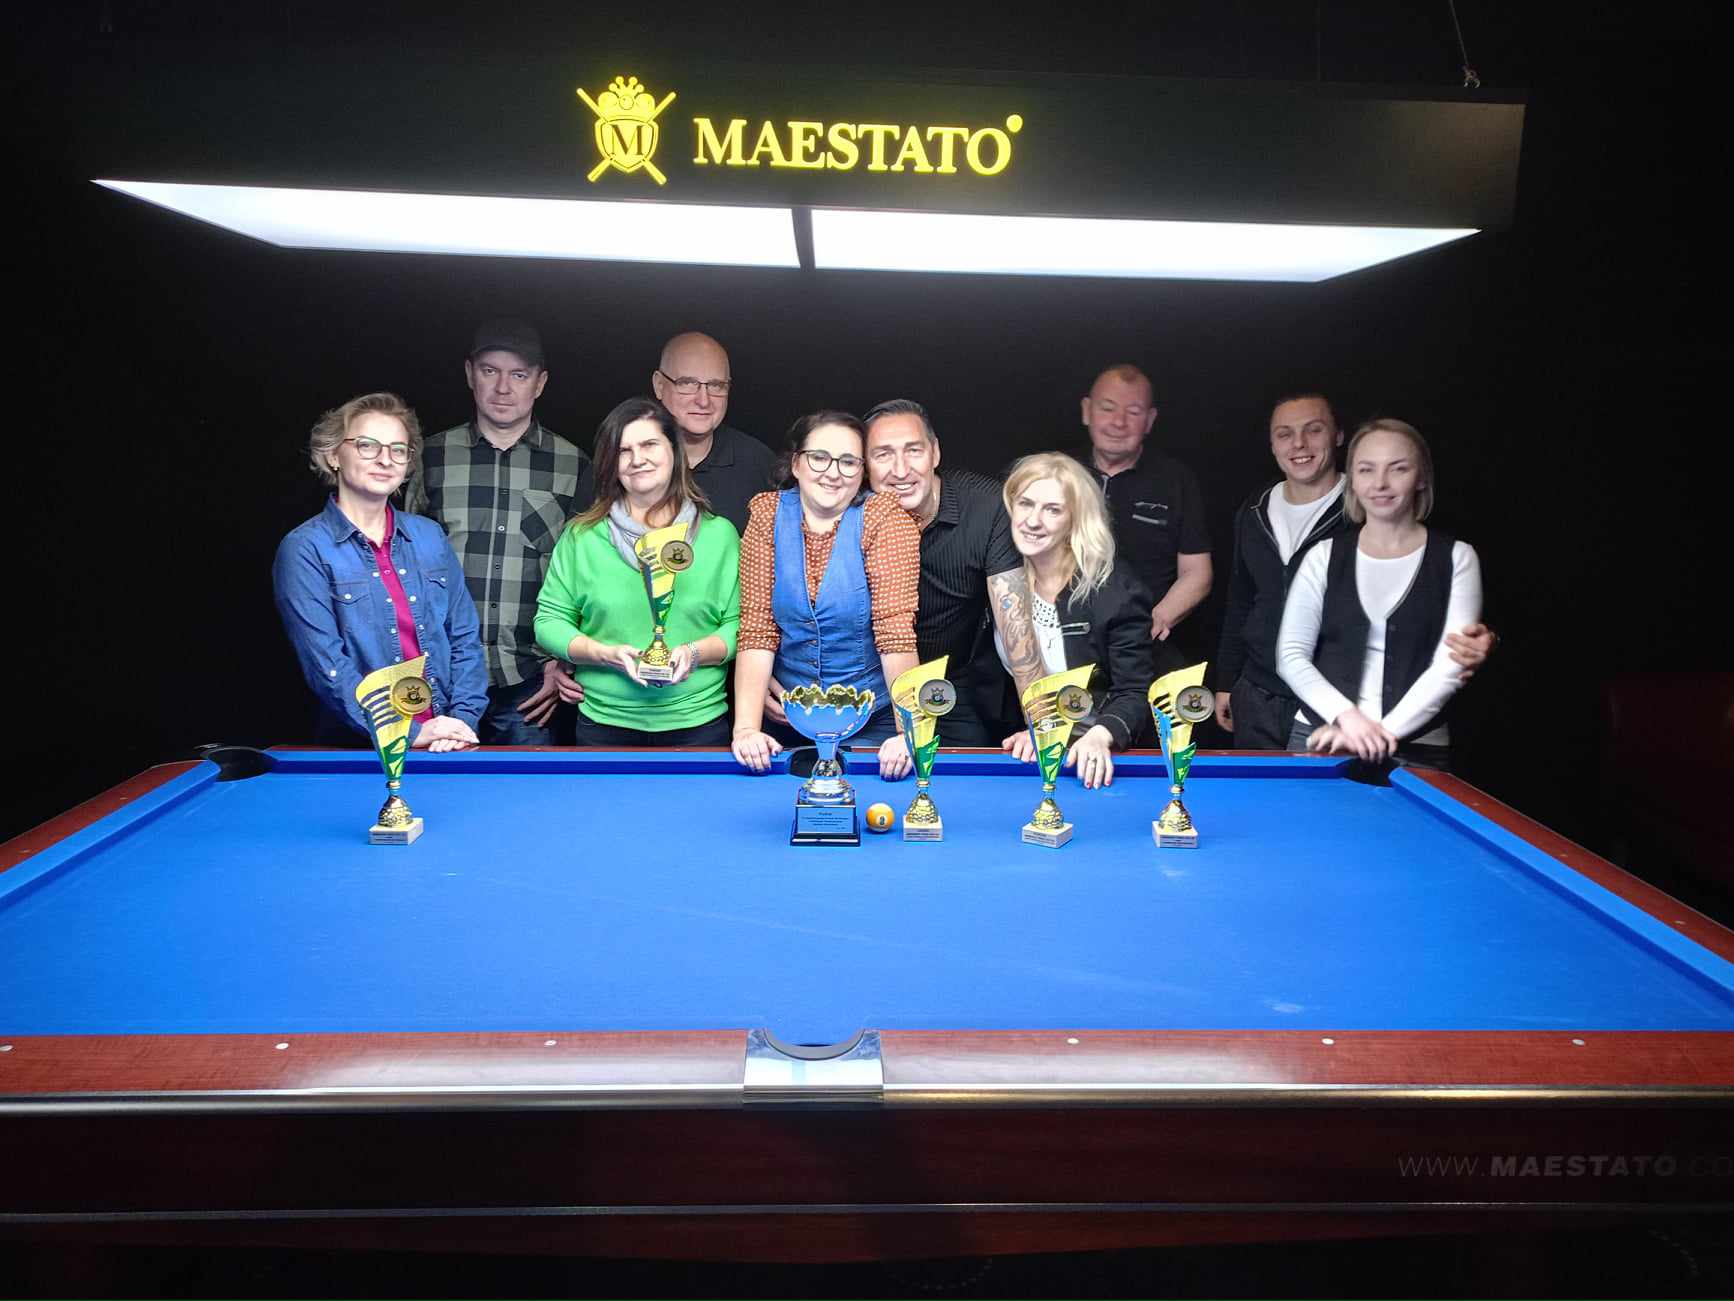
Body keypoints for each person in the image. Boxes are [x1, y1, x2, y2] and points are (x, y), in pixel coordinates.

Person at [1216, 392, 1494, 747]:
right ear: (1272, 444)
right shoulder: (1255, 511)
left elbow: (1438, 627)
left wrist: (1485, 639)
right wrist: (1227, 680)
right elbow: (1241, 600)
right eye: (1285, 434)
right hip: (1266, 695)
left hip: (1371, 716)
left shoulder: (1392, 520)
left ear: (1338, 436)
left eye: (1313, 430)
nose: (1299, 443)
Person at [403, 318, 592, 745]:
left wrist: (562, 662)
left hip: (530, 683)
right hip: (439, 675)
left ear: (540, 383)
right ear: (470, 374)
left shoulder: (573, 464)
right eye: (491, 371)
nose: (503, 388)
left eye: (519, 375)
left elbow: (584, 576)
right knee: (435, 785)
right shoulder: (429, 457)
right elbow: (401, 567)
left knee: (525, 789)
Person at [274, 392, 487, 751]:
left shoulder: (430, 536)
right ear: (333, 455)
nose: (385, 459)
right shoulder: (305, 549)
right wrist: (410, 733)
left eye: (398, 449)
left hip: (446, 740)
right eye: (367, 445)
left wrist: (461, 720)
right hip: (361, 750)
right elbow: (327, 666)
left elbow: (464, 638)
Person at [1276, 418, 1483, 770]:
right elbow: (1291, 656)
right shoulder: (1322, 557)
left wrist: (1381, 734)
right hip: (1323, 736)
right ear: (1353, 480)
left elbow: (1451, 665)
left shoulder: (1457, 557)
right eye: (1366, 470)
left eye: (1398, 468)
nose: (1380, 483)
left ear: (1421, 477)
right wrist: (1347, 719)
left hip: (1418, 747)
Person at [534, 398, 739, 746]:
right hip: (602, 724)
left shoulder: (720, 536)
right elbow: (548, 622)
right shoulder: (582, 537)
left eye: (649, 444)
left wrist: (694, 653)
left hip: (699, 724)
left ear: (675, 451)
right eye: (623, 450)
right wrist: (602, 654)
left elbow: (741, 626)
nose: (637, 459)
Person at [731, 411, 921, 776]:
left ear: (862, 471)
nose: (833, 473)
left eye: (848, 462)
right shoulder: (768, 515)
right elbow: (757, 628)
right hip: (787, 719)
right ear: (796, 463)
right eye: (819, 457)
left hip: (873, 720)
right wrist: (746, 730)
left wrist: (908, 733)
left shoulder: (885, 518)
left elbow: (895, 634)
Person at [863, 398, 1042, 745]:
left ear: (935, 453)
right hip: (870, 685)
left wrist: (1040, 726)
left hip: (951, 683)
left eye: (914, 451)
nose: (900, 470)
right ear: (865, 466)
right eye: (883, 454)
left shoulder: (987, 507)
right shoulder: (846, 507)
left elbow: (1016, 626)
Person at [997, 453, 1157, 790]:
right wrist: (1036, 730)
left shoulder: (1115, 591)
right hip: (1026, 750)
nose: (1033, 521)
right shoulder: (997, 577)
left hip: (1095, 753)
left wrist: (1101, 735)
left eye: (1053, 510)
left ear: (1075, 519)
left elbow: (1133, 691)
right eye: (1025, 504)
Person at [1077, 364, 1212, 669]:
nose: (1118, 422)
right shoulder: (1060, 475)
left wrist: (1154, 622)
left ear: (1150, 420)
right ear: (1086, 411)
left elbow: (1197, 573)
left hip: (1147, 650)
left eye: (1134, 412)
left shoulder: (1176, 481)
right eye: (1107, 408)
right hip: (1068, 646)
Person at [650, 331, 776, 534]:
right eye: (687, 383)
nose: (703, 400)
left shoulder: (760, 465)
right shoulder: (626, 460)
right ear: (659, 385)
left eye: (716, 385)